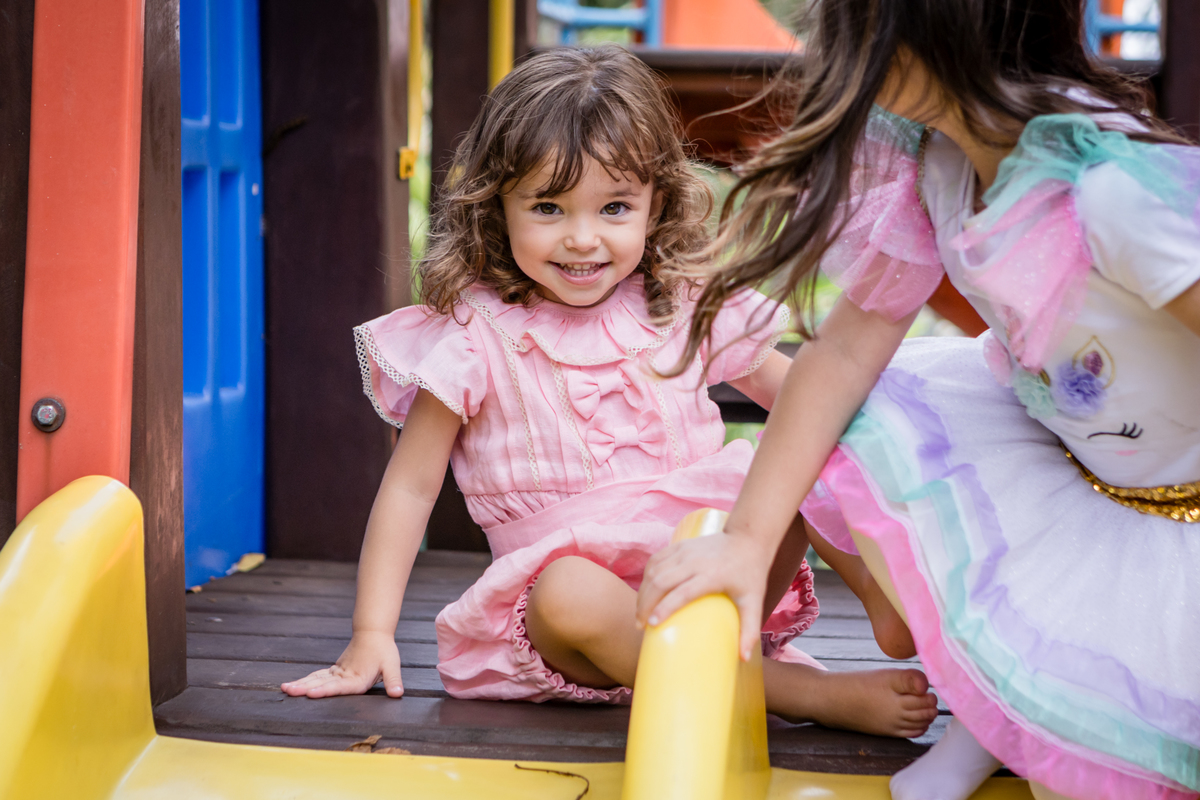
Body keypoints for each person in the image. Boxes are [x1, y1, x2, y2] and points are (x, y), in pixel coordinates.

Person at [280, 45, 939, 738]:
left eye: (615, 207)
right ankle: (797, 692)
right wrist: (371, 632)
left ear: (657, 204)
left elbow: (814, 405)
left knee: (801, 450)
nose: (582, 238)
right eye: (549, 207)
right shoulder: (475, 335)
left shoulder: (678, 302)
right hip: (582, 625)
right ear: (496, 206)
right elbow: (412, 487)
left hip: (708, 572)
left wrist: (922, 455)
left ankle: (883, 596)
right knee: (568, 591)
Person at [635, 2, 1200, 799]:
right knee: (872, 411)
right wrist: (747, 543)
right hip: (1079, 460)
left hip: (1181, 522)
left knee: (1099, 769)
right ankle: (997, 712)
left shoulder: (1110, 189)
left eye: (851, 26)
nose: (827, 51)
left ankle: (1016, 727)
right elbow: (842, 354)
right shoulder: (939, 162)